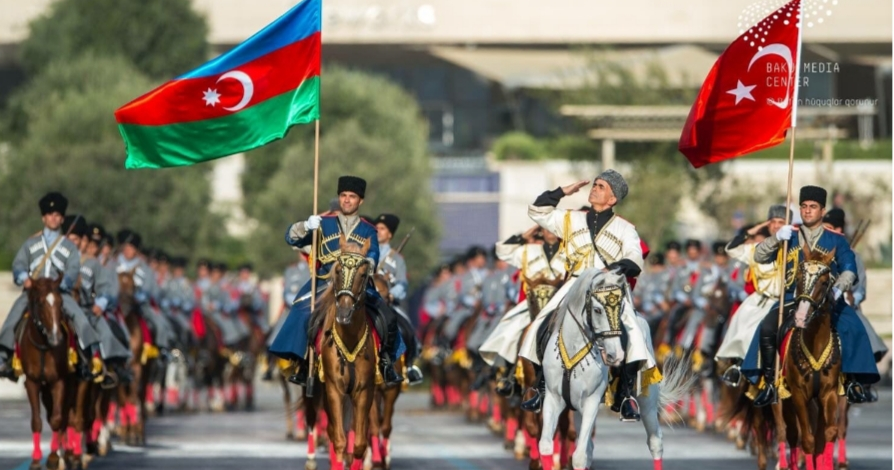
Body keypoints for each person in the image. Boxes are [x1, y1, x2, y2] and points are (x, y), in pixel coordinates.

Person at [519, 169, 655, 422]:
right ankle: (539, 386)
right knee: (539, 324)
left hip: (610, 289)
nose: (594, 189)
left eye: (601, 187)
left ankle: (625, 394)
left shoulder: (626, 228)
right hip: (574, 285)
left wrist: (612, 269)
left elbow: (635, 258)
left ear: (613, 199)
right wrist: (561, 192)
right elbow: (537, 211)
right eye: (595, 184)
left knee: (635, 330)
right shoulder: (571, 218)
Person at [744, 186, 880, 407]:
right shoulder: (789, 235)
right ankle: (769, 382)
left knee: (854, 327)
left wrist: (838, 288)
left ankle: (853, 381)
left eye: (813, 207)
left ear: (822, 210)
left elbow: (849, 269)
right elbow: (759, 256)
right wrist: (775, 238)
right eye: (804, 207)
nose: (808, 211)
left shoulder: (836, 240)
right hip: (791, 299)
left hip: (827, 301)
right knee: (767, 328)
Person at [268, 176, 404, 389]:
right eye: (343, 196)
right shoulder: (323, 224)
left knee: (386, 315)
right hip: (326, 280)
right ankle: (303, 363)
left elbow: (374, 255)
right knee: (302, 309)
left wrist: (363, 266)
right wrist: (304, 226)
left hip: (357, 282)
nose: (347, 200)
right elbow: (291, 238)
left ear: (361, 201)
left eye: (352, 197)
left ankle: (386, 361)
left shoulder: (369, 229)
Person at [0, 193, 101, 380]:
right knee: (13, 315)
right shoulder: (30, 244)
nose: (53, 218)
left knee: (80, 318)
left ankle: (88, 358)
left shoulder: (69, 246)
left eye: (57, 215)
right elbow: (19, 264)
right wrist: (25, 278)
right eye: (49, 214)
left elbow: (72, 268)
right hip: (34, 292)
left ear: (62, 218)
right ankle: (4, 356)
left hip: (58, 292)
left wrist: (64, 282)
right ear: (43, 218)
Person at [715, 205, 790, 386]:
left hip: (783, 301)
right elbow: (731, 249)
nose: (776, 226)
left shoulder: (793, 248)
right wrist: (752, 231)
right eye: (773, 222)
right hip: (758, 300)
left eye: (781, 222)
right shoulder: (756, 248)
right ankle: (739, 367)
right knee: (740, 326)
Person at [822, 208, 888, 402]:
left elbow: (861, 289)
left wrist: (852, 298)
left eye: (829, 227)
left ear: (838, 229)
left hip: (845, 303)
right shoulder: (818, 250)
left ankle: (857, 380)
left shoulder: (854, 256)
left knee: (859, 331)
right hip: (820, 303)